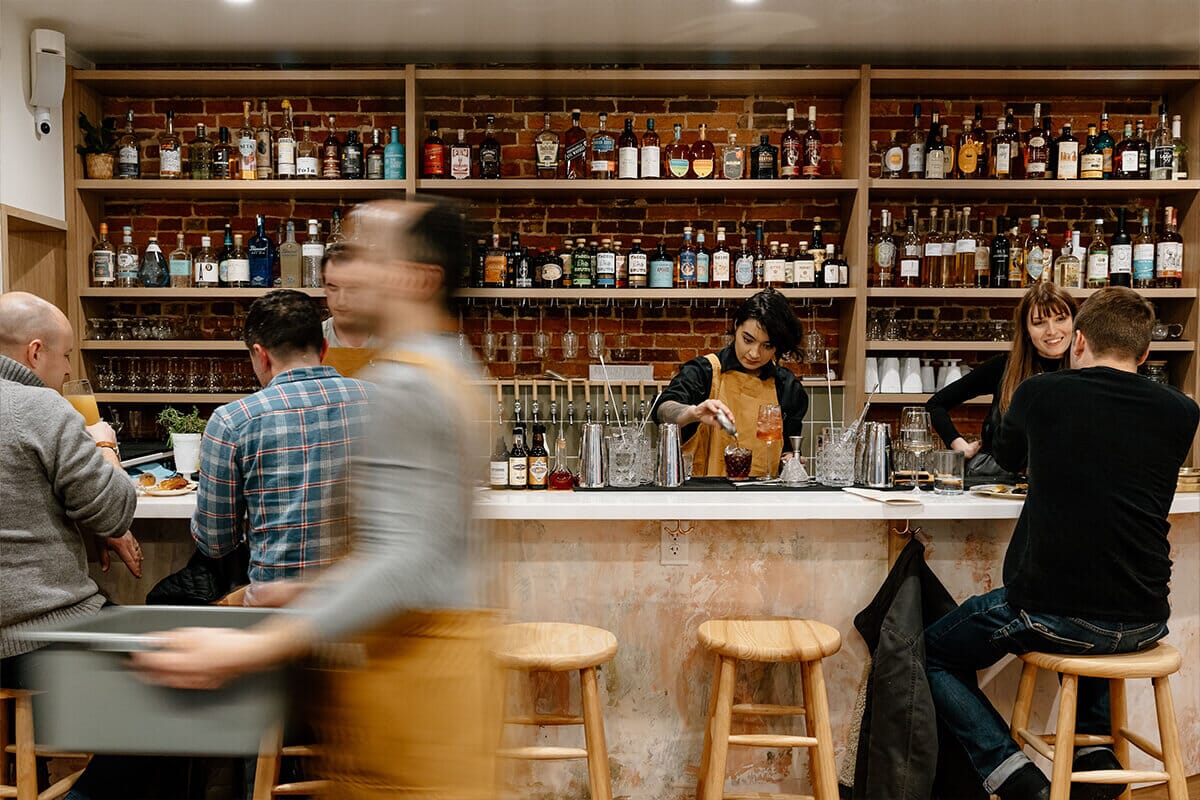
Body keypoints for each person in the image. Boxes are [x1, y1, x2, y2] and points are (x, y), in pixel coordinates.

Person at [135, 199, 501, 799]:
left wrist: (255, 644)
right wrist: (312, 590)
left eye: (363, 255)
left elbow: (405, 562)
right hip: (416, 678)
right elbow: (424, 544)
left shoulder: (408, 384)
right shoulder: (440, 367)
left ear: (415, 277)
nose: (344, 273)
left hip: (420, 692)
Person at [924, 287, 1199, 800]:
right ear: (1144, 354)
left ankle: (1015, 776)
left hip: (1053, 612)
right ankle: (1094, 759)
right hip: (1145, 619)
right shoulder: (1183, 411)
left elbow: (1005, 457)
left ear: (1078, 341)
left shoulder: (1038, 395)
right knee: (1096, 601)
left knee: (931, 654)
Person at [192, 289, 370, 608]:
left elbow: (215, 542)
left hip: (275, 610)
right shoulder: (380, 401)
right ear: (324, 348)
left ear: (261, 355)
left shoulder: (232, 421)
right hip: (364, 605)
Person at [0, 292, 141, 687]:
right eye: (65, 356)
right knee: (170, 684)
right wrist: (104, 444)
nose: (66, 370)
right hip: (41, 640)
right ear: (35, 352)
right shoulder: (40, 406)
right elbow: (116, 511)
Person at [926, 282, 1078, 481]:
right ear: (1026, 329)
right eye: (1039, 322)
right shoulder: (1003, 367)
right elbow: (935, 404)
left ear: (1075, 321)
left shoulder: (1088, 371)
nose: (1052, 330)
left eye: (1060, 319)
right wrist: (958, 444)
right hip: (994, 481)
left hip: (1060, 482)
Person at [653, 287, 808, 477]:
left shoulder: (788, 387)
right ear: (736, 325)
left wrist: (790, 461)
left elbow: (786, 452)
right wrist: (693, 412)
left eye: (767, 346)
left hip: (764, 499)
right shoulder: (704, 371)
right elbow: (662, 411)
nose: (754, 353)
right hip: (706, 497)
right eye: (748, 340)